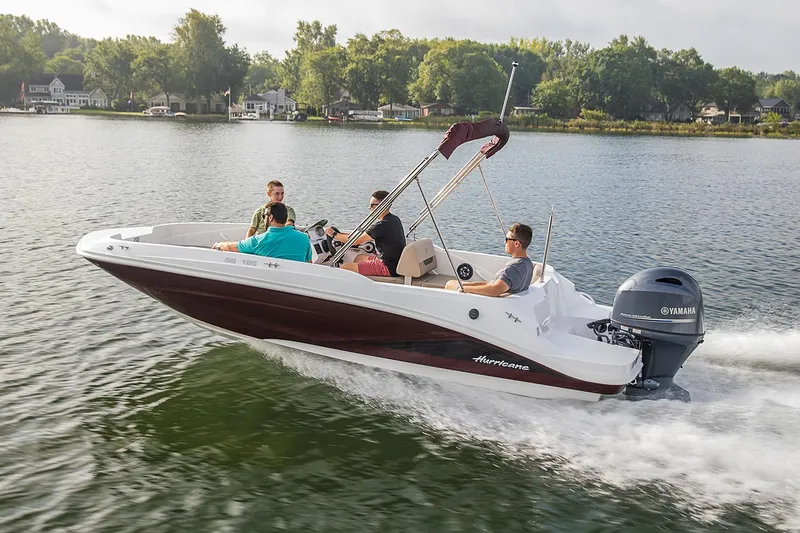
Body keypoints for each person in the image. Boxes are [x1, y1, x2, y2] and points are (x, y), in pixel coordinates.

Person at [325, 190, 405, 277]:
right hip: (394, 262)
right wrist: (341, 234)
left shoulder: (381, 226)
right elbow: (360, 236)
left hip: (388, 267)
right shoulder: (394, 219)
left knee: (345, 267)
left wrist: (333, 234)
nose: (369, 208)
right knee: (359, 258)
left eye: (372, 205)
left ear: (381, 206)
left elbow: (355, 241)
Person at [445, 223, 539, 296]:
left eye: (507, 239)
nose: (504, 242)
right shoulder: (527, 264)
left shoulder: (513, 267)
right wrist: (470, 285)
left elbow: (494, 290)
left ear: (517, 243)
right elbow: (496, 284)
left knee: (449, 284)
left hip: (485, 301)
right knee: (456, 283)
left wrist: (465, 289)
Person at [214, 202, 312, 262]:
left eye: (264, 216)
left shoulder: (258, 240)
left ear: (270, 217)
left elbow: (228, 247)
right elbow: (309, 264)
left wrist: (217, 245)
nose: (264, 219)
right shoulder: (304, 238)